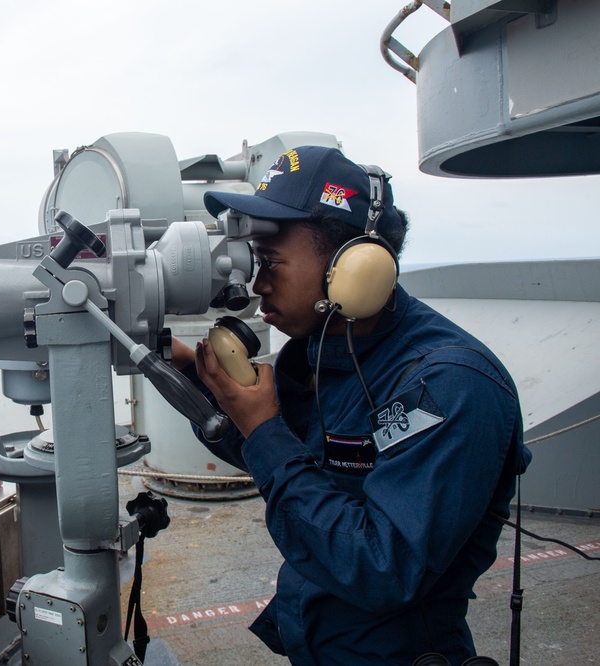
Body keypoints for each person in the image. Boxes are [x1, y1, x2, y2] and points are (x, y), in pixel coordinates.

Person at [172, 145, 531, 665]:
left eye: (272, 262)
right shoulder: (324, 348)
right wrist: (187, 376)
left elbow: (383, 566)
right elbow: (278, 459)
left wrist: (265, 427)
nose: (257, 283)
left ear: (353, 265)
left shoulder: (450, 385)